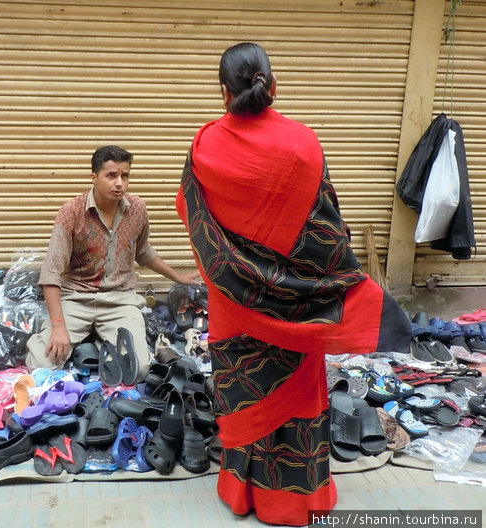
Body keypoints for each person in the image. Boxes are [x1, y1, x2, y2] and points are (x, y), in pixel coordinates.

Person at [175, 43, 411, 526]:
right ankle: (299, 501)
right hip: (300, 308)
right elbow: (329, 230)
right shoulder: (304, 143)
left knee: (244, 390)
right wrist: (324, 283)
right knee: (299, 392)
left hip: (234, 302)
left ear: (223, 92)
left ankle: (241, 494)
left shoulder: (204, 146)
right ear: (272, 84)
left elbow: (190, 212)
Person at [26, 145, 200, 380]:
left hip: (120, 301)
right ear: (94, 178)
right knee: (41, 365)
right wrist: (59, 326)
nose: (119, 182)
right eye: (111, 175)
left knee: (137, 370)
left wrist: (178, 277)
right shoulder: (71, 212)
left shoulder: (137, 209)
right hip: (76, 298)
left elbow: (142, 251)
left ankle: (100, 339)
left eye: (124, 175)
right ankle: (98, 340)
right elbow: (51, 274)